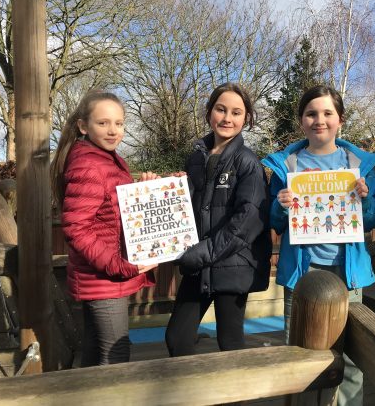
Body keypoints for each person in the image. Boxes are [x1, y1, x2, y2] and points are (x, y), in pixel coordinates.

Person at [262, 85, 375, 406]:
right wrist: (280, 205)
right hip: (301, 273)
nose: (320, 120)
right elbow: (274, 222)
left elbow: (374, 219)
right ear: (301, 121)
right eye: (311, 114)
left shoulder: (358, 164)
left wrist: (365, 200)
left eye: (328, 113)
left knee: (353, 358)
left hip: (349, 274)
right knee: (299, 354)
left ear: (340, 120)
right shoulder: (286, 165)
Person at [50, 90, 157, 366]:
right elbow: (76, 228)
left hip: (101, 276)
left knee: (97, 350)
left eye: (119, 123)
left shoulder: (105, 158)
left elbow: (110, 206)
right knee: (116, 354)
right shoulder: (90, 164)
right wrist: (119, 265)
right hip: (104, 279)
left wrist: (149, 188)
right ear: (83, 126)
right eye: (103, 123)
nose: (113, 130)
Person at [165, 83, 272, 356]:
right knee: (177, 339)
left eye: (236, 112)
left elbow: (246, 223)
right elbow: (189, 209)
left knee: (230, 343)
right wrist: (175, 191)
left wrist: (201, 253)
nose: (227, 118)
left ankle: (235, 399)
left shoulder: (249, 163)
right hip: (198, 265)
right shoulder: (196, 159)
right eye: (221, 109)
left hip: (232, 264)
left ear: (246, 118)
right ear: (209, 112)